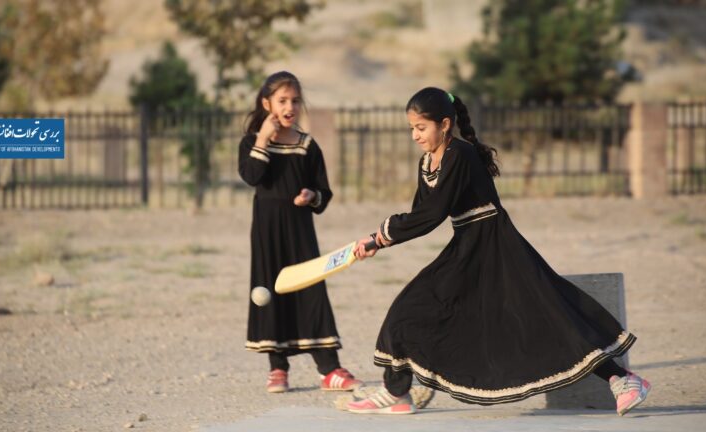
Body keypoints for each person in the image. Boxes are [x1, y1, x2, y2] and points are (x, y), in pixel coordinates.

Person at [347, 87, 650, 415]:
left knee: (545, 318)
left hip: (498, 246)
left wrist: (380, 236)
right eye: (411, 129)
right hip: (466, 247)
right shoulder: (428, 162)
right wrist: (379, 239)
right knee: (410, 309)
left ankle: (623, 379)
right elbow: (422, 212)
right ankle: (397, 392)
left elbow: (432, 214)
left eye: (421, 128)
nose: (415, 136)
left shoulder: (459, 155)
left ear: (445, 124)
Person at [238, 71, 362, 393]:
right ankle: (278, 369)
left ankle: (329, 369)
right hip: (266, 233)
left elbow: (324, 193)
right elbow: (252, 175)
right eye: (282, 101)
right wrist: (264, 139)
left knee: (311, 290)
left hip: (299, 231)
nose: (289, 106)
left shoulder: (307, 146)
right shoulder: (252, 142)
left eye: (294, 100)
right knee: (272, 292)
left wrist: (311, 196)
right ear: (267, 104)